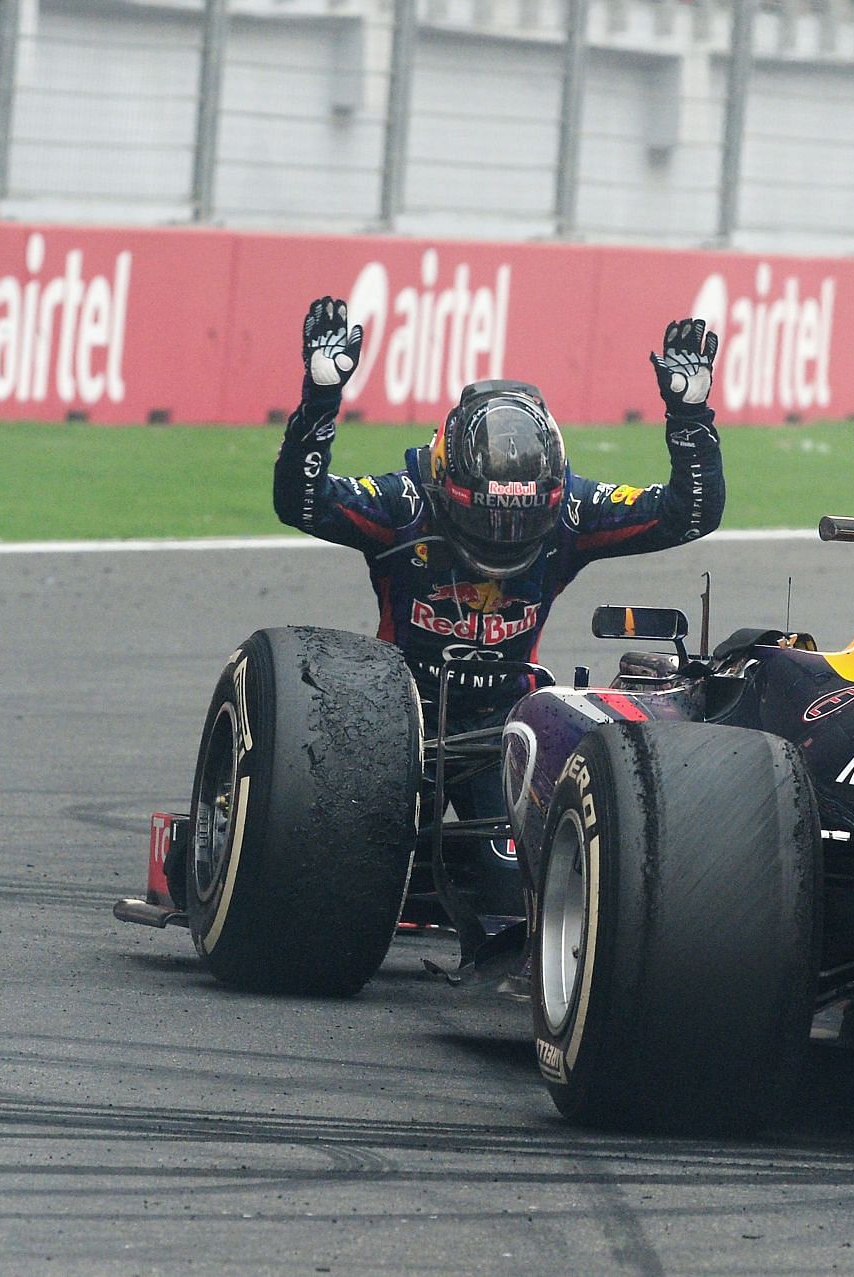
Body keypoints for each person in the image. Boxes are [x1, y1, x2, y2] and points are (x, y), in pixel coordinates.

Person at [273, 296, 725, 960]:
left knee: (513, 882)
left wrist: (690, 415)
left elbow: (689, 514)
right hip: (395, 717)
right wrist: (320, 399)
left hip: (502, 729)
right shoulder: (405, 503)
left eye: (517, 521)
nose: (502, 534)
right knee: (354, 862)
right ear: (449, 482)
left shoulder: (573, 508)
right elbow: (302, 501)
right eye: (488, 519)